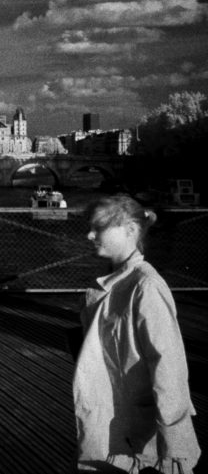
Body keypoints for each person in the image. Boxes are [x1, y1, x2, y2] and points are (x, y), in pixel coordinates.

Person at [73, 195, 200, 473]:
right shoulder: (117, 282)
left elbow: (169, 367)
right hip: (115, 416)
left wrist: (176, 445)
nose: (90, 234)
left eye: (100, 227)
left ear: (130, 230)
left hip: (135, 432)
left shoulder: (146, 287)